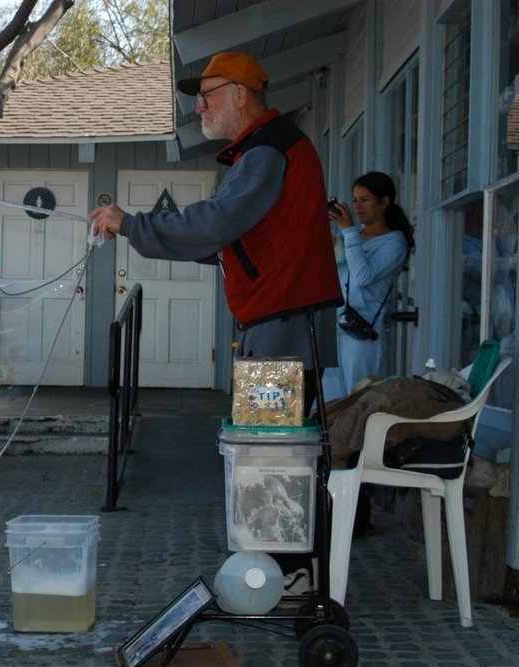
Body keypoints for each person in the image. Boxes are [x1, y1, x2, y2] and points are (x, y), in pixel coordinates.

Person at [90, 51, 343, 411]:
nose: (199, 108)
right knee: (270, 443)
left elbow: (215, 222)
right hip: (282, 322)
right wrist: (142, 232)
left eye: (207, 96)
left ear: (240, 94)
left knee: (268, 447)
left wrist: (132, 224)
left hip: (283, 325)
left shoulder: (268, 149)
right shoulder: (267, 147)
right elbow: (232, 240)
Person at [326, 172, 413, 399]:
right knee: (332, 399)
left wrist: (348, 232)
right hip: (337, 327)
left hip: (362, 332)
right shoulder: (354, 236)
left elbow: (363, 276)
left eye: (365, 200)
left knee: (357, 399)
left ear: (384, 202)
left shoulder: (394, 242)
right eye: (354, 200)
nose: (358, 206)